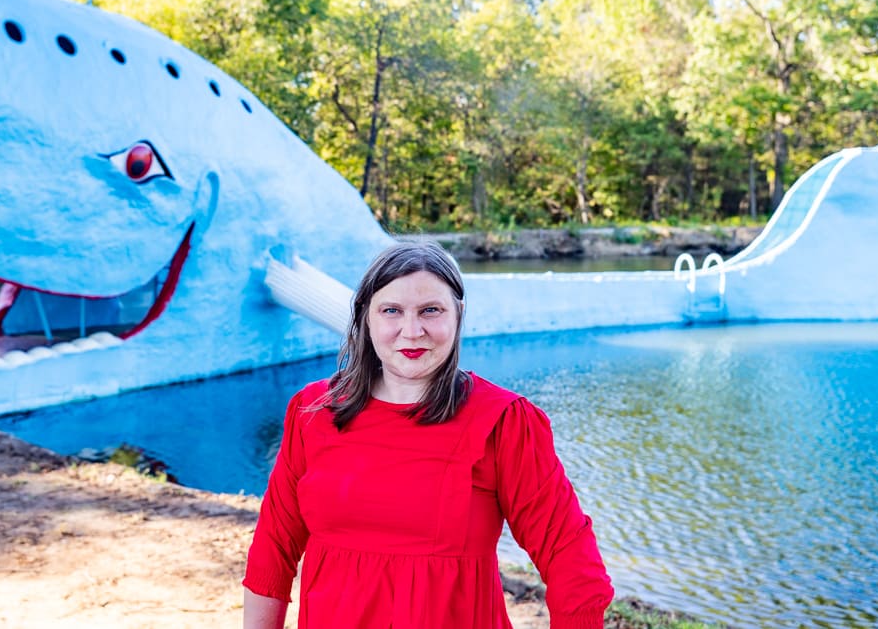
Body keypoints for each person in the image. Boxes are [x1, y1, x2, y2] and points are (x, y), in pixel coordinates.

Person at [242, 241, 614, 628]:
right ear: (366, 318)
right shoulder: (313, 411)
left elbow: (570, 556)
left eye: (430, 311)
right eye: (392, 311)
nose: (412, 330)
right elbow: (273, 549)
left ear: (458, 314)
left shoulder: (503, 422)